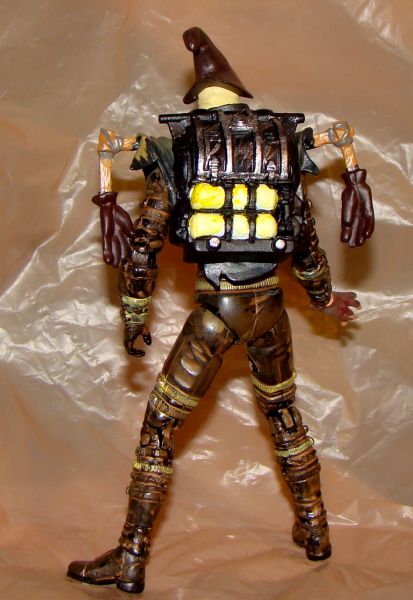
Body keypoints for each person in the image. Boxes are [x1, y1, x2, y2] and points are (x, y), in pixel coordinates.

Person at [67, 27, 374, 594]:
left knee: (160, 427)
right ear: (238, 95)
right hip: (271, 311)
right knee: (285, 415)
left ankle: (131, 556)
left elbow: (144, 245)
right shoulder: (278, 146)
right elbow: (303, 236)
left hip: (215, 312)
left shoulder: (178, 151)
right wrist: (323, 298)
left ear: (198, 100)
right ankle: (316, 529)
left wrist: (134, 313)